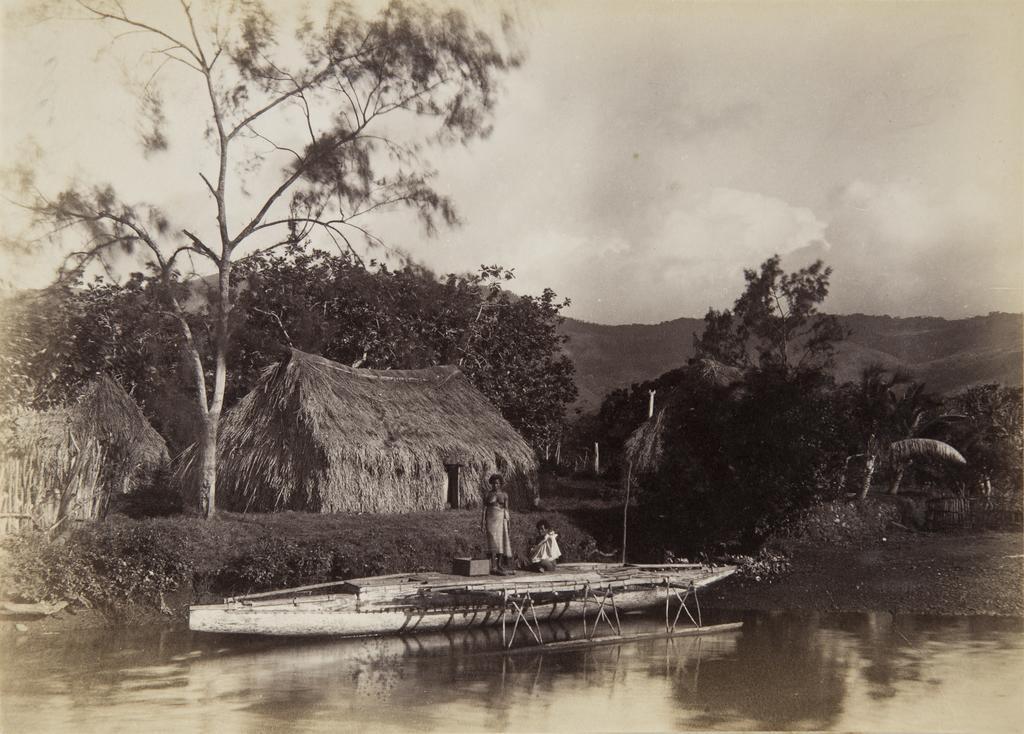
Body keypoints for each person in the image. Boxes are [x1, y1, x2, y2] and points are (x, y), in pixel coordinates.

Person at [482, 473, 514, 575]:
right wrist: (482, 522)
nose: (495, 485)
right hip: (491, 519)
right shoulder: (488, 495)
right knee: (492, 541)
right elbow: (484, 509)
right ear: (491, 484)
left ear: (500, 484)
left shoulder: (504, 495)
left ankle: (499, 564)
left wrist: (508, 522)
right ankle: (493, 566)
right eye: (493, 483)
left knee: (501, 542)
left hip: (501, 519)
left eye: (497, 483)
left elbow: (506, 509)